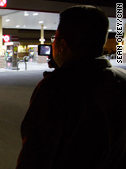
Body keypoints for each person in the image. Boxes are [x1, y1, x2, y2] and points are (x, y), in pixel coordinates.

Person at [16, 5, 126, 169]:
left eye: (55, 39)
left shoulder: (56, 88)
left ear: (62, 45)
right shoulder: (121, 80)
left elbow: (35, 154)